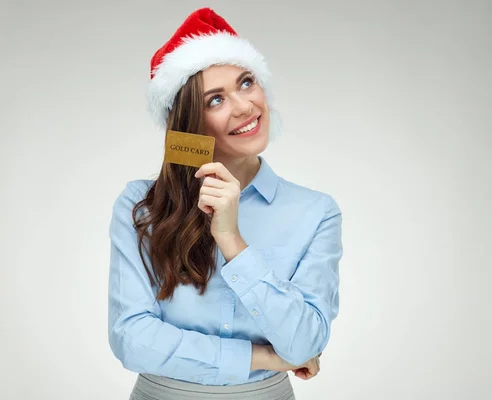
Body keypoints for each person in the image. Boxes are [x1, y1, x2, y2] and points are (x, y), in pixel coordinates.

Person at [107, 7, 343, 400]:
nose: (245, 107)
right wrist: (262, 357)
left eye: (246, 83)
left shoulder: (315, 212)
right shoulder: (141, 205)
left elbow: (304, 344)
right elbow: (131, 338)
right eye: (215, 100)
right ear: (189, 124)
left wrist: (231, 238)